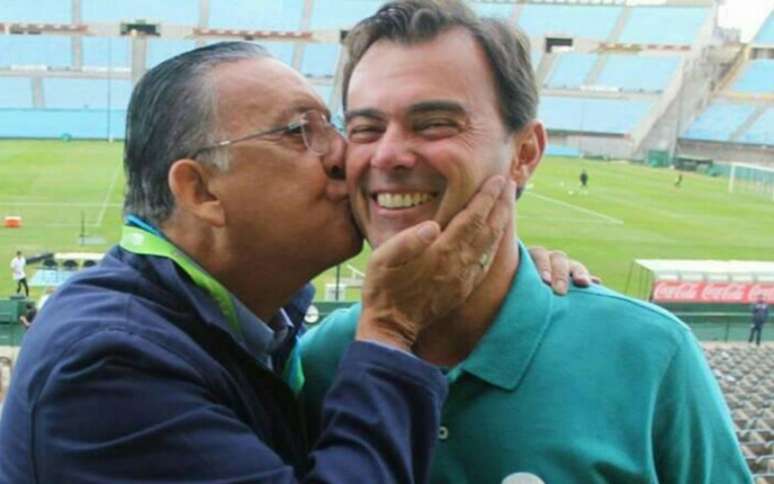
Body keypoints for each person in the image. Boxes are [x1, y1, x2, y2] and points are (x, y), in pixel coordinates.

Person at [0, 41, 581, 483]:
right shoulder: (105, 367)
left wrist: (500, 269)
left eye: (335, 125)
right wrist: (390, 330)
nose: (347, 156)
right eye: (301, 131)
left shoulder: (235, 321)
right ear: (201, 192)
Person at [300, 2, 751, 483]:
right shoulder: (319, 363)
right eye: (366, 128)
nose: (387, 154)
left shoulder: (650, 355)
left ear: (526, 153)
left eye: (434, 123)